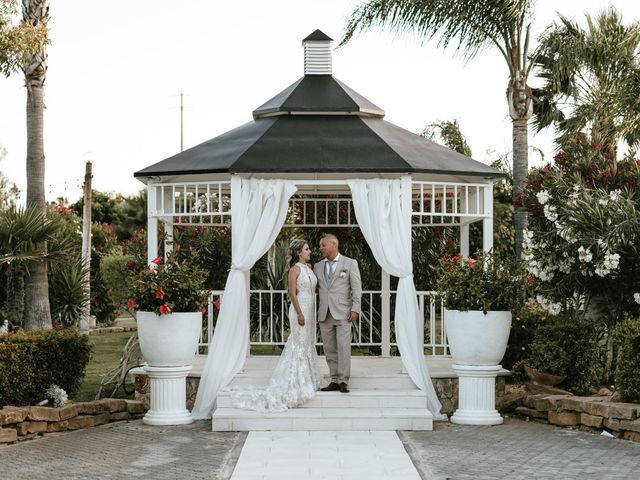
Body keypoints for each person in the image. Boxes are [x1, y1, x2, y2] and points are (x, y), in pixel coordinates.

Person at [230, 239, 321, 412]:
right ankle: (297, 381)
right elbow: (292, 293)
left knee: (307, 344)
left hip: (311, 310)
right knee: (299, 344)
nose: (310, 251)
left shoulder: (309, 268)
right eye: (307, 249)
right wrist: (300, 313)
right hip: (299, 309)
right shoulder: (294, 270)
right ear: (299, 252)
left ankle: (309, 377)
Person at [314, 233, 361, 393]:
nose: (320, 248)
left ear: (333, 245)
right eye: (320, 245)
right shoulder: (317, 266)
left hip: (343, 312)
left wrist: (355, 308)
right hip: (324, 313)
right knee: (329, 348)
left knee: (343, 347)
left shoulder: (350, 263)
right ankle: (334, 380)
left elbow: (356, 288)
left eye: (323, 245)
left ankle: (343, 380)